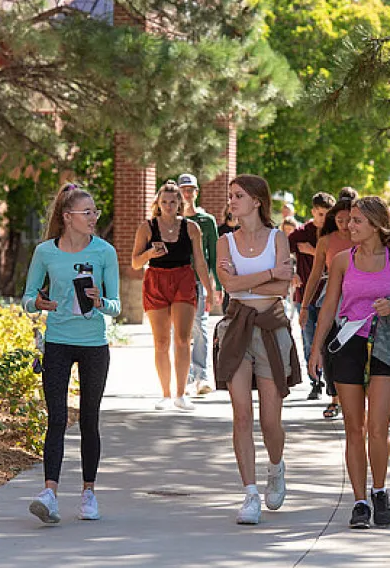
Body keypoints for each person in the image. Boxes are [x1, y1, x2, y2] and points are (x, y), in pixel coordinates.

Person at [308, 196, 390, 529]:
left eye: (358, 220)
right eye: (349, 220)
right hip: (348, 343)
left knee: (378, 429)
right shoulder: (343, 261)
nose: (349, 225)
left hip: (386, 347)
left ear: (376, 224)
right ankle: (359, 501)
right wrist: (316, 349)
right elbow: (329, 306)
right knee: (353, 427)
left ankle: (380, 490)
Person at [22, 182, 121, 523]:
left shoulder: (105, 252)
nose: (94, 217)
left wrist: (100, 301)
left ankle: (88, 493)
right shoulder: (45, 252)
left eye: (95, 212)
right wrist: (37, 302)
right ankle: (49, 494)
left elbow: (116, 306)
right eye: (87, 212)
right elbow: (27, 297)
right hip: (58, 343)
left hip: (94, 345)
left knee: (90, 418)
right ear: (68, 217)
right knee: (58, 419)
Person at [214, 174, 301, 525]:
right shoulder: (225, 242)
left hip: (271, 329)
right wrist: (267, 273)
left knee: (269, 421)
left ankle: (276, 467)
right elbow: (230, 284)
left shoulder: (278, 238)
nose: (232, 201)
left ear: (257, 201)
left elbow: (282, 287)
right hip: (236, 328)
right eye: (230, 196)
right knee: (241, 416)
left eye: (238, 196)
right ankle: (249, 494)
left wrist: (252, 279)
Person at [132, 181, 215, 411]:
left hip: (184, 280)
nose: (169, 205)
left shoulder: (191, 228)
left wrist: (208, 290)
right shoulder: (147, 227)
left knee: (182, 339)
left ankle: (181, 394)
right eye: (164, 201)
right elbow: (135, 262)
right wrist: (150, 252)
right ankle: (166, 395)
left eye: (173, 201)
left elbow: (200, 260)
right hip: (156, 280)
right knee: (161, 342)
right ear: (158, 203)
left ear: (181, 202)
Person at [299, 192, 356, 418]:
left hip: (358, 298)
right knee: (330, 348)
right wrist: (304, 307)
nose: (344, 225)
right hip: (331, 297)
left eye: (348, 220)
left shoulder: (362, 237)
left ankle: (354, 398)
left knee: (353, 349)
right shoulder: (326, 240)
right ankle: (334, 398)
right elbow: (314, 276)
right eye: (339, 220)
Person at [289, 192, 336, 401]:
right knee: (309, 340)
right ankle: (315, 382)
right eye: (319, 214)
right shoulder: (301, 233)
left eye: (327, 214)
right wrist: (292, 273)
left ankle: (332, 380)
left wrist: (312, 251)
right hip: (305, 295)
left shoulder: (336, 235)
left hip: (331, 294)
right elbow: (279, 253)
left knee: (329, 339)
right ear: (312, 212)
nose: (323, 219)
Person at [178, 173, 222, 396]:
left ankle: (202, 376)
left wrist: (218, 286)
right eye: (183, 189)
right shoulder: (171, 219)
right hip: (176, 280)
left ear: (196, 192)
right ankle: (184, 377)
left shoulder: (206, 221)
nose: (187, 193)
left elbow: (213, 254)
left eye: (191, 189)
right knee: (181, 330)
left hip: (199, 280)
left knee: (201, 327)